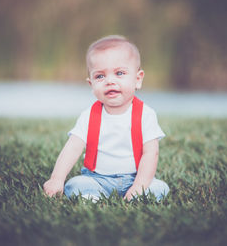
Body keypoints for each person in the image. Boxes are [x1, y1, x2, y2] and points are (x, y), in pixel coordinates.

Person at [43, 35, 169, 202]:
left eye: (119, 73)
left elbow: (150, 153)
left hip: (135, 177)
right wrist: (56, 179)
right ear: (91, 85)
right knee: (74, 184)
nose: (110, 81)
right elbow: (73, 147)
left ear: (137, 79)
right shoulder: (89, 116)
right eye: (100, 76)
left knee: (160, 188)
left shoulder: (146, 114)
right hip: (97, 179)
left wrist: (140, 185)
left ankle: (136, 194)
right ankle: (92, 196)